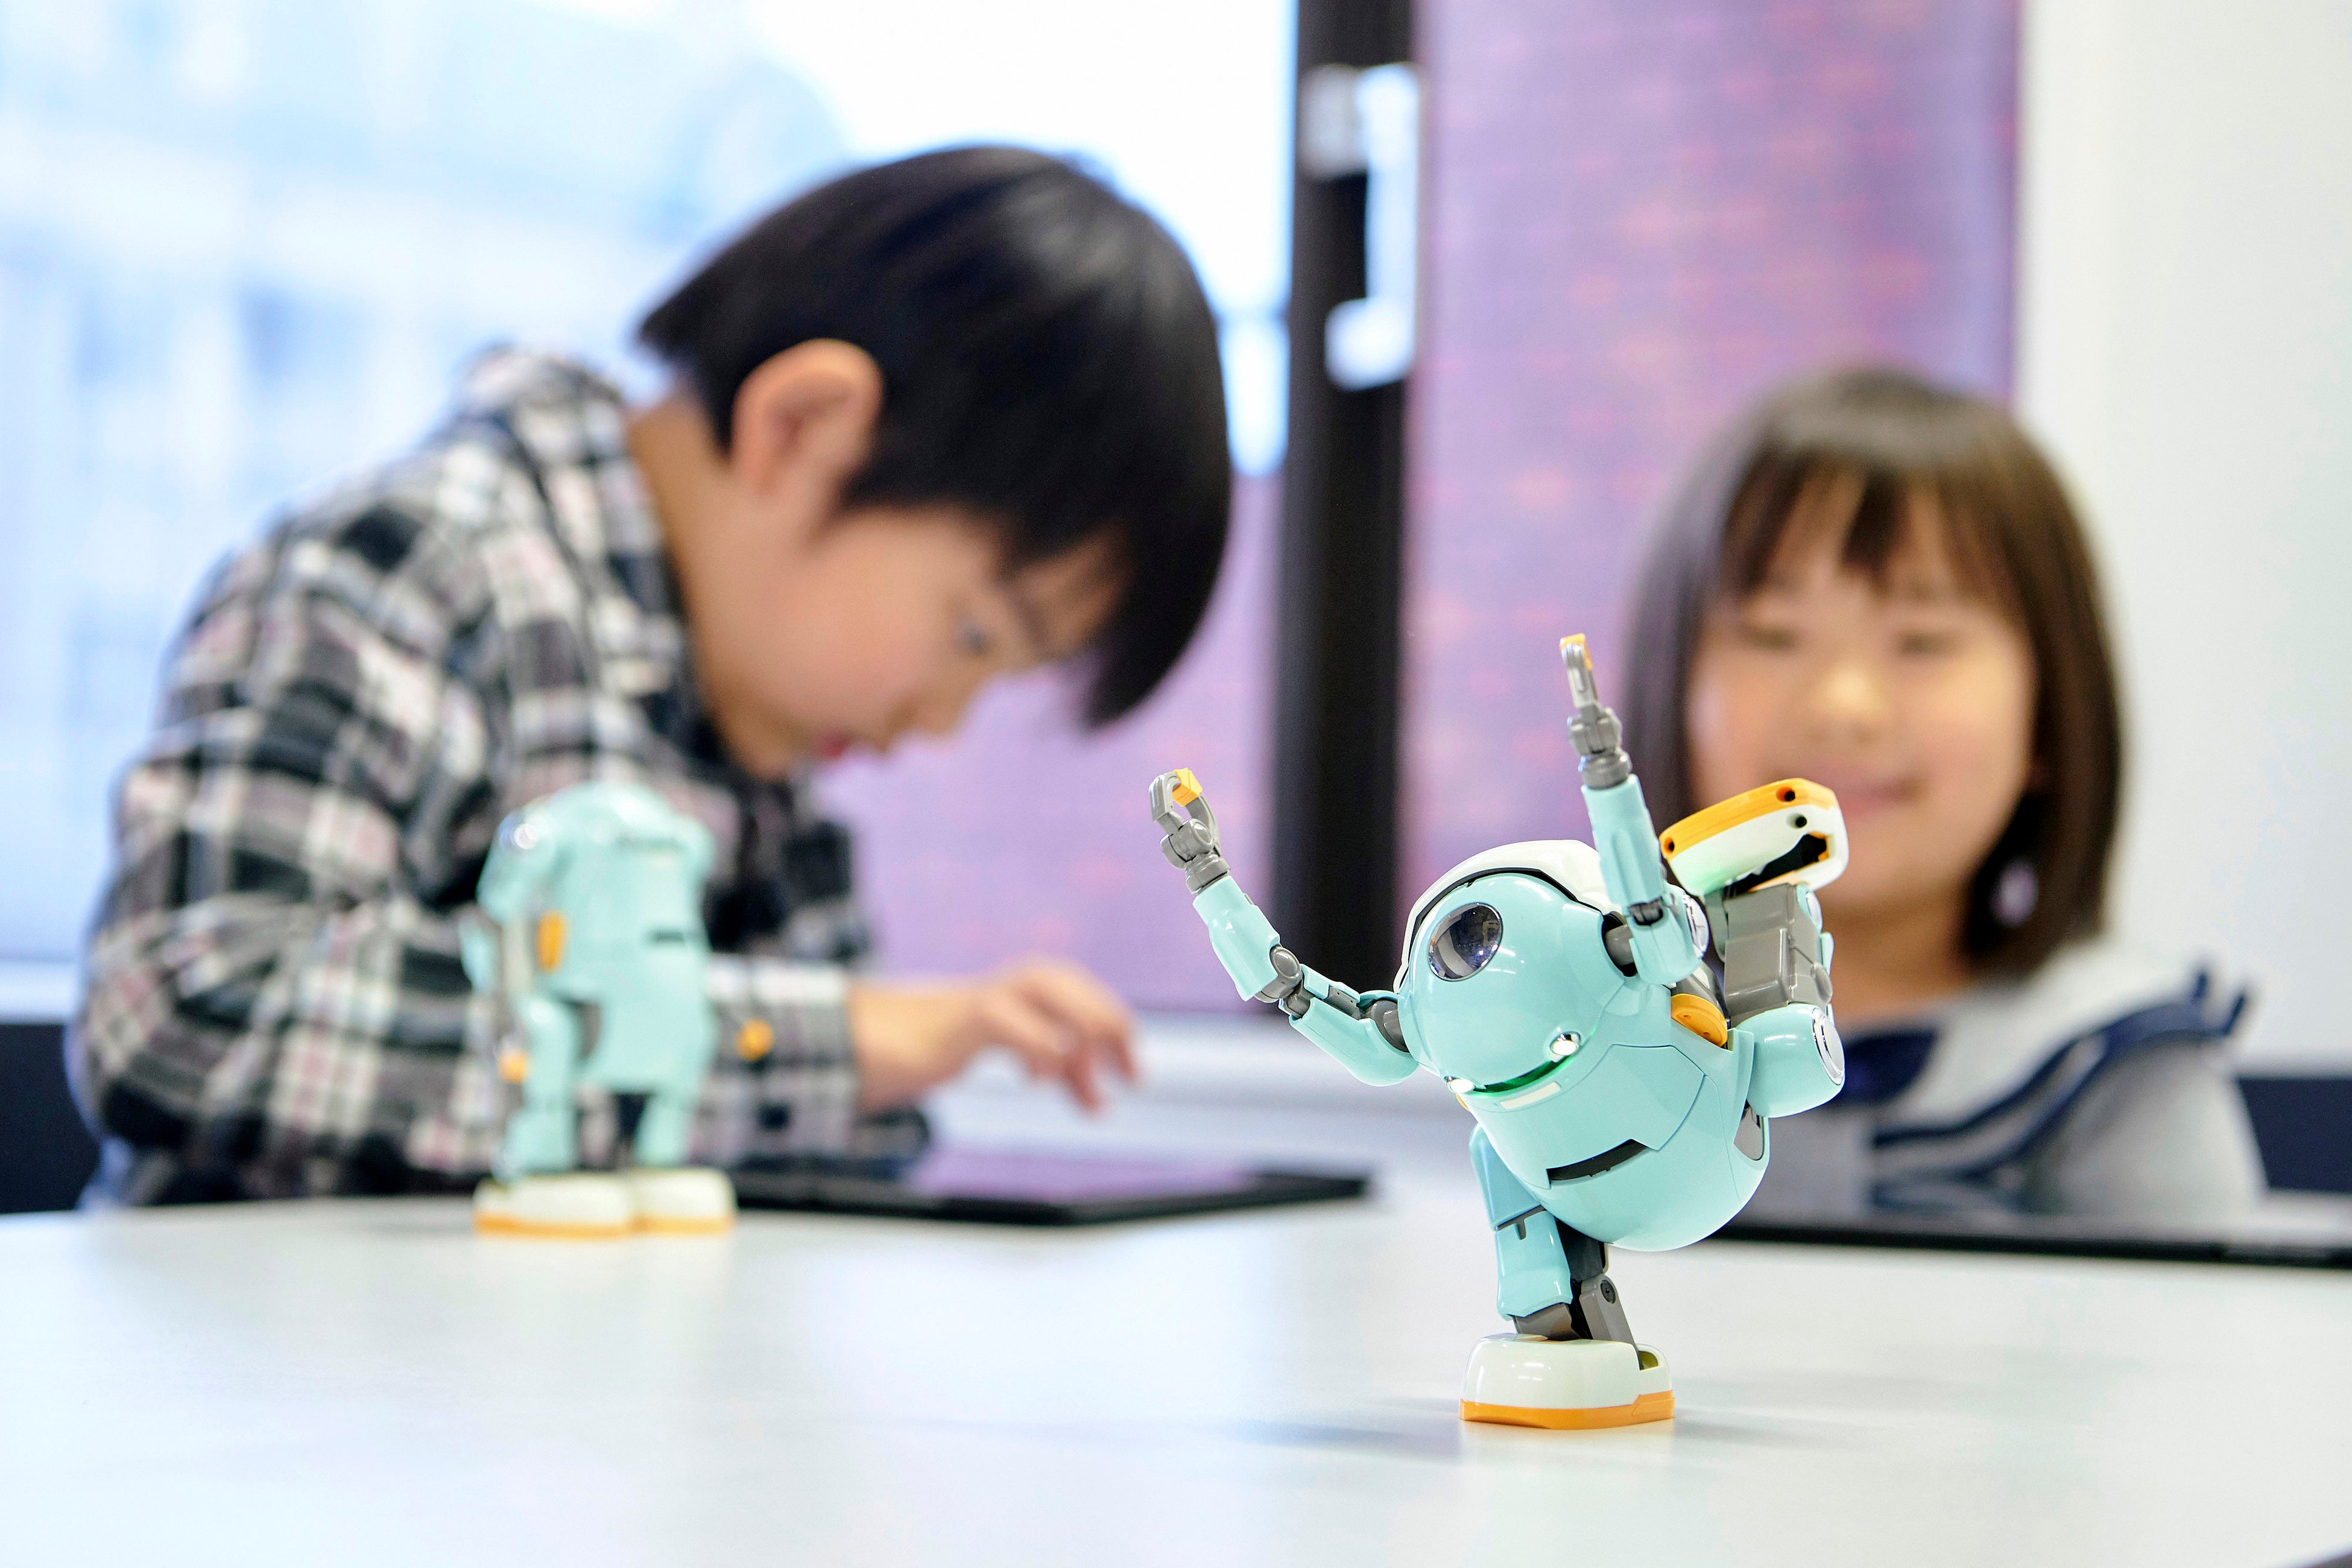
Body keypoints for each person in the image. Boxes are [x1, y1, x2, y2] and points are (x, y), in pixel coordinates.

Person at [72, 146, 1231, 1204]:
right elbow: (186, 1012)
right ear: (804, 429)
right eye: (974, 636)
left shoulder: (755, 719)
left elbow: (829, 1157)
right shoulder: (420, 567)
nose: (938, 723)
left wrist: (858, 1059)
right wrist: (832, 1043)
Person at [1616, 367, 2264, 1221]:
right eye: (1773, 635)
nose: (1842, 705)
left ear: (2049, 716)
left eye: (1922, 641)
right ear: (1672, 688)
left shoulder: (2116, 1069)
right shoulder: (1597, 1027)